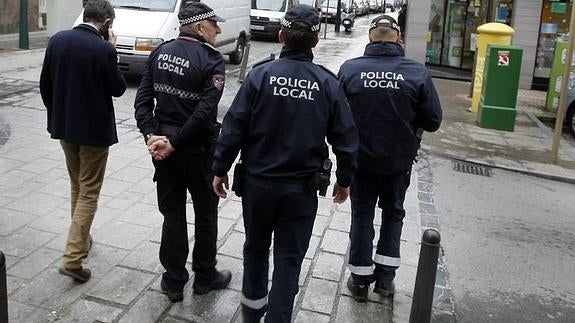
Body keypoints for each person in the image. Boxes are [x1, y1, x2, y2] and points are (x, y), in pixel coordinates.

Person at [212, 4, 358, 322]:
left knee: (255, 249)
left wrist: (219, 167)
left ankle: (252, 315)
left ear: (280, 36)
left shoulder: (260, 76)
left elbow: (234, 126)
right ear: (316, 42)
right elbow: (346, 140)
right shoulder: (328, 84)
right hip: (300, 190)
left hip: (258, 184)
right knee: (289, 260)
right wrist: (345, 180)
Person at [338, 15, 442, 301]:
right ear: (398, 38)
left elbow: (336, 116)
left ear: (371, 38)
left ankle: (359, 280)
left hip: (361, 160)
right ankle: (385, 280)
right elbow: (433, 120)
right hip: (398, 162)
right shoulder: (417, 72)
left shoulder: (350, 69)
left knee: (362, 215)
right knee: (393, 214)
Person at [134, 2, 231, 303]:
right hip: (197, 150)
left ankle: (174, 280)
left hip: (164, 147)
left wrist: (152, 136)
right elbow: (204, 112)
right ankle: (204, 276)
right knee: (205, 213)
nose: (218, 30)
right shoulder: (212, 61)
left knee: (172, 212)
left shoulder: (159, 53)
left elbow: (142, 101)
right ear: (201, 28)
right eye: (214, 25)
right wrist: (174, 142)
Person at [39, 0, 126, 283]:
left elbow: (45, 85)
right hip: (94, 135)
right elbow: (118, 88)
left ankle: (83, 239)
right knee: (89, 190)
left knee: (77, 184)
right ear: (107, 24)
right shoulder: (103, 49)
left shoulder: (58, 40)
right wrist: (112, 49)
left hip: (64, 128)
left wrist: (57, 115)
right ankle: (72, 258)